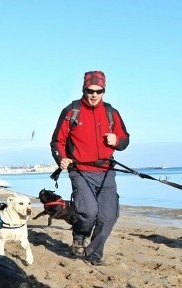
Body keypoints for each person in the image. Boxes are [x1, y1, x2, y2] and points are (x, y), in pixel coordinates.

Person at [50, 70, 130, 265]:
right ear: (84, 89)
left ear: (104, 91)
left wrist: (117, 141)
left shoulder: (112, 112)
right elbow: (57, 141)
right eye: (90, 90)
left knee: (109, 216)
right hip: (80, 170)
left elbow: (125, 139)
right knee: (89, 211)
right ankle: (80, 233)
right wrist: (62, 158)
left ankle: (93, 254)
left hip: (106, 172)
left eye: (99, 91)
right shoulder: (71, 111)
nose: (94, 95)